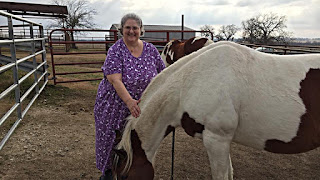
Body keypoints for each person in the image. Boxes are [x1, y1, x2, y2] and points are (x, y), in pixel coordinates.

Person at [94, 13, 166, 180]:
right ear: (121, 30)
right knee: (112, 144)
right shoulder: (116, 50)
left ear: (141, 30)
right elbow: (115, 80)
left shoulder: (150, 50)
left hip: (140, 108)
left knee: (135, 145)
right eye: (128, 28)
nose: (131, 31)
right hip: (113, 107)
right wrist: (129, 102)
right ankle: (108, 175)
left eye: (135, 28)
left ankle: (130, 174)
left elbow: (163, 75)